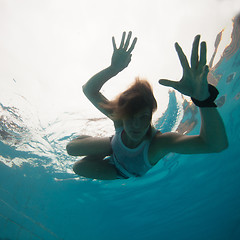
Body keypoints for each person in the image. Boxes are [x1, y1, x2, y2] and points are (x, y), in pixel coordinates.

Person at [66, 31, 228, 180]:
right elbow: (88, 90)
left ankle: (100, 150)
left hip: (121, 170)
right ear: (123, 115)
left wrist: (203, 100)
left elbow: (215, 145)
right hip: (113, 146)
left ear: (151, 115)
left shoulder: (159, 143)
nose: (136, 125)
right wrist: (113, 69)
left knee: (79, 167)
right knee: (70, 148)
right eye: (130, 117)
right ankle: (104, 147)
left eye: (143, 117)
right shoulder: (119, 119)